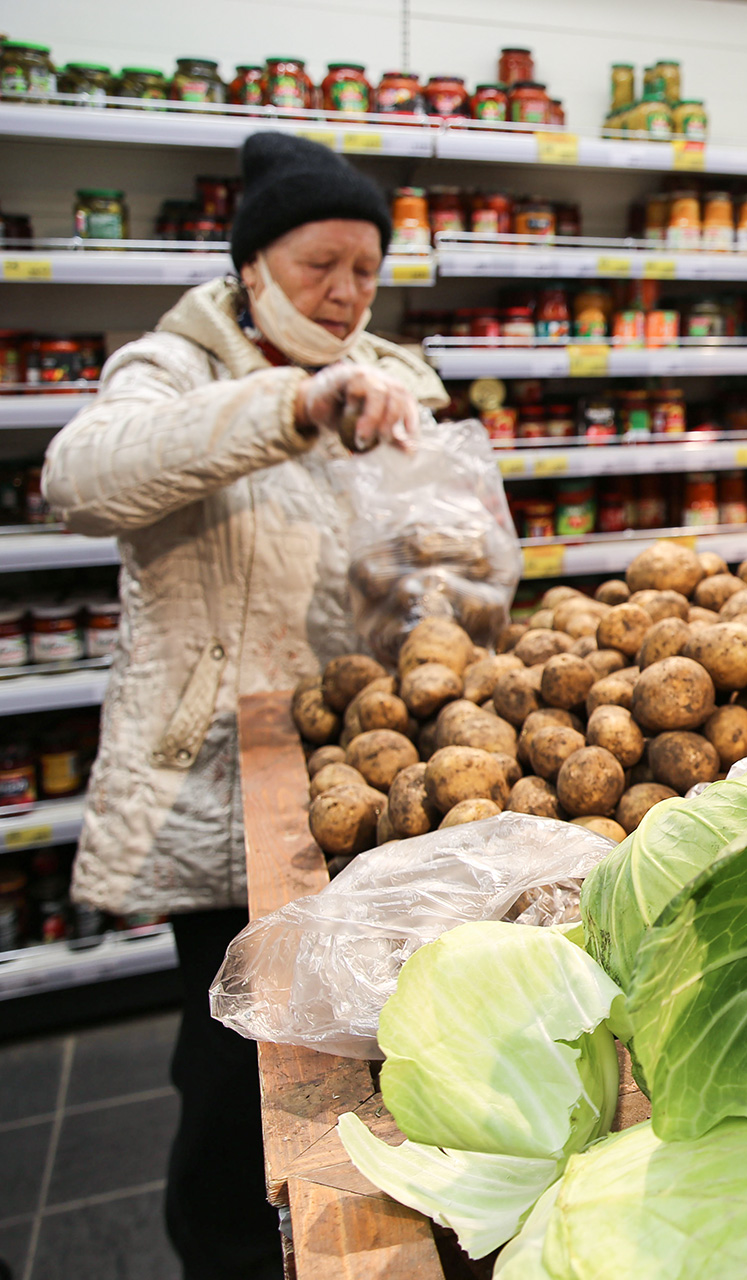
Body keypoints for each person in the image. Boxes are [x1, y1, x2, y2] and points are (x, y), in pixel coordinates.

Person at [42, 132, 447, 1279]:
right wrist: (296, 404)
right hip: (223, 785)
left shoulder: (397, 370)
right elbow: (81, 475)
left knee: (360, 1050)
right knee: (230, 1070)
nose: (347, 292)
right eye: (323, 262)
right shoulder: (172, 363)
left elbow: (436, 547)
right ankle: (219, 1255)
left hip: (358, 771)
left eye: (367, 270)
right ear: (254, 261)